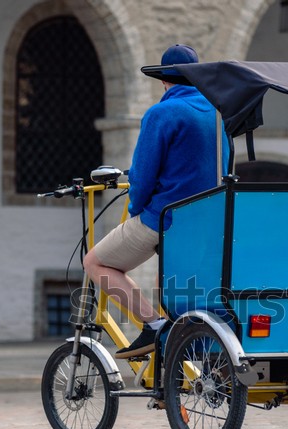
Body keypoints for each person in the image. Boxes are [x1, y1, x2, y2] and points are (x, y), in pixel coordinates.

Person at [83, 44, 227, 359]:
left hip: (168, 218)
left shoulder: (162, 113)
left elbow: (144, 176)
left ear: (163, 80)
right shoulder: (218, 114)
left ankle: (154, 324)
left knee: (95, 262)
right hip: (210, 219)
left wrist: (136, 210)